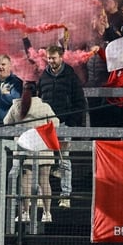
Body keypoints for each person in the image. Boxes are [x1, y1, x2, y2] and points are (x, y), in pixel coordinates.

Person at [37, 45, 86, 208]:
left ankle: (65, 195)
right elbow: (39, 98)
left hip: (64, 123)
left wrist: (72, 121)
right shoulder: (43, 76)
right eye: (49, 58)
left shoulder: (71, 76)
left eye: (53, 58)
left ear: (61, 57)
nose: (51, 61)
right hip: (46, 125)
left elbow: (79, 100)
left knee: (64, 160)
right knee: (41, 160)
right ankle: (38, 196)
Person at [4, 81, 59, 223]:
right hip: (43, 147)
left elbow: (6, 122)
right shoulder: (44, 106)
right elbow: (56, 123)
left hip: (24, 148)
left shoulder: (16, 106)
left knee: (25, 182)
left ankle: (25, 213)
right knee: (45, 181)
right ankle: (47, 214)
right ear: (38, 92)